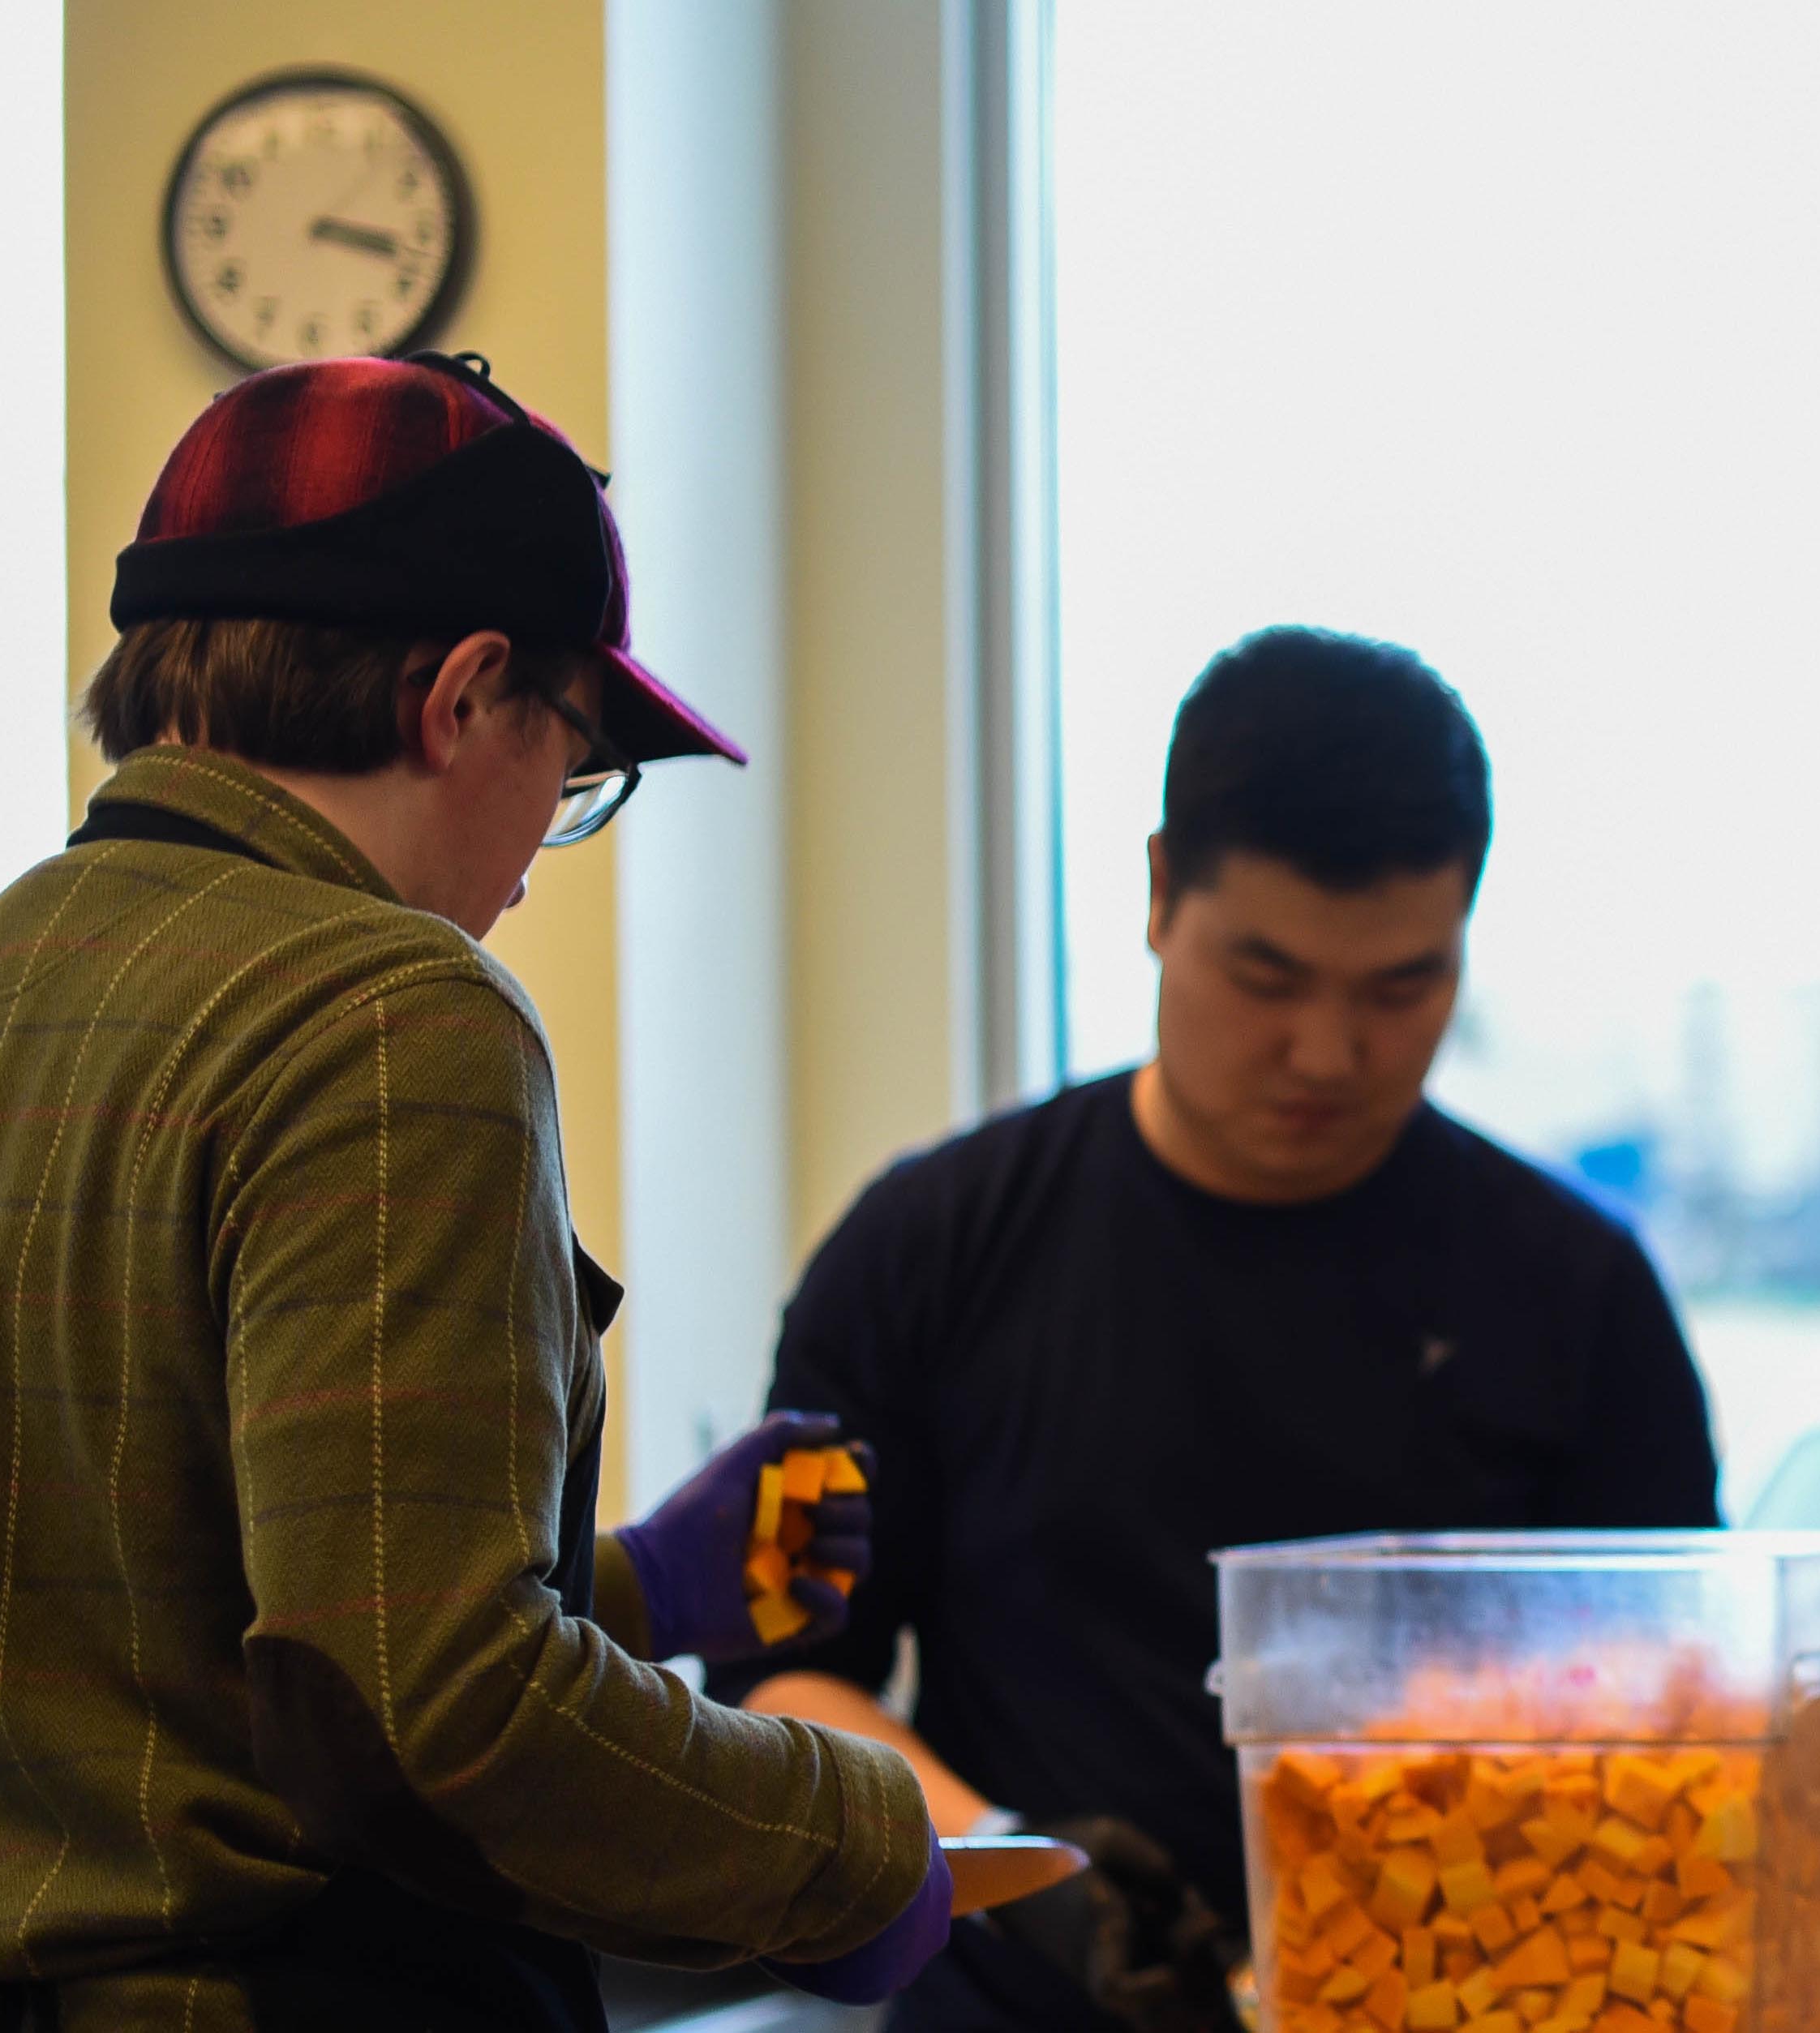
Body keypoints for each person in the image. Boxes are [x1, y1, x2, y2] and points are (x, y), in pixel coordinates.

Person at [0, 354, 949, 2029]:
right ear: (466, 692)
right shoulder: (388, 1012)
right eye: (574, 772)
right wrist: (854, 1845)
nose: (533, 857)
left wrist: (636, 1589)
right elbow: (424, 1711)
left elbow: (127, 1638)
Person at [717, 627, 1724, 2033]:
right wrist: (1015, 1863)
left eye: (1401, 988)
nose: (1328, 1051)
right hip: (1022, 2002)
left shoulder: (1580, 1295)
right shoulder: (924, 1249)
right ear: (1155, 894)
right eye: (1267, 977)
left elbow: (1672, 1727)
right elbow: (781, 1676)